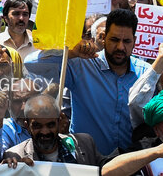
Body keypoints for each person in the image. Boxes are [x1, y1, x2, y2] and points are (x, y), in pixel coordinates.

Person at [25, 9, 151, 155]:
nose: (120, 47)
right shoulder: (82, 65)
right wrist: (71, 52)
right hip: (85, 162)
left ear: (134, 41)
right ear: (103, 38)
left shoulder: (145, 73)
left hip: (130, 163)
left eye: (127, 41)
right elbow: (31, 63)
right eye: (115, 40)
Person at [3, 94, 107, 167]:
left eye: (50, 125)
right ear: (27, 126)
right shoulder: (15, 156)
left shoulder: (84, 143)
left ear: (59, 122)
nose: (45, 132)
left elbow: (105, 169)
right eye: (37, 126)